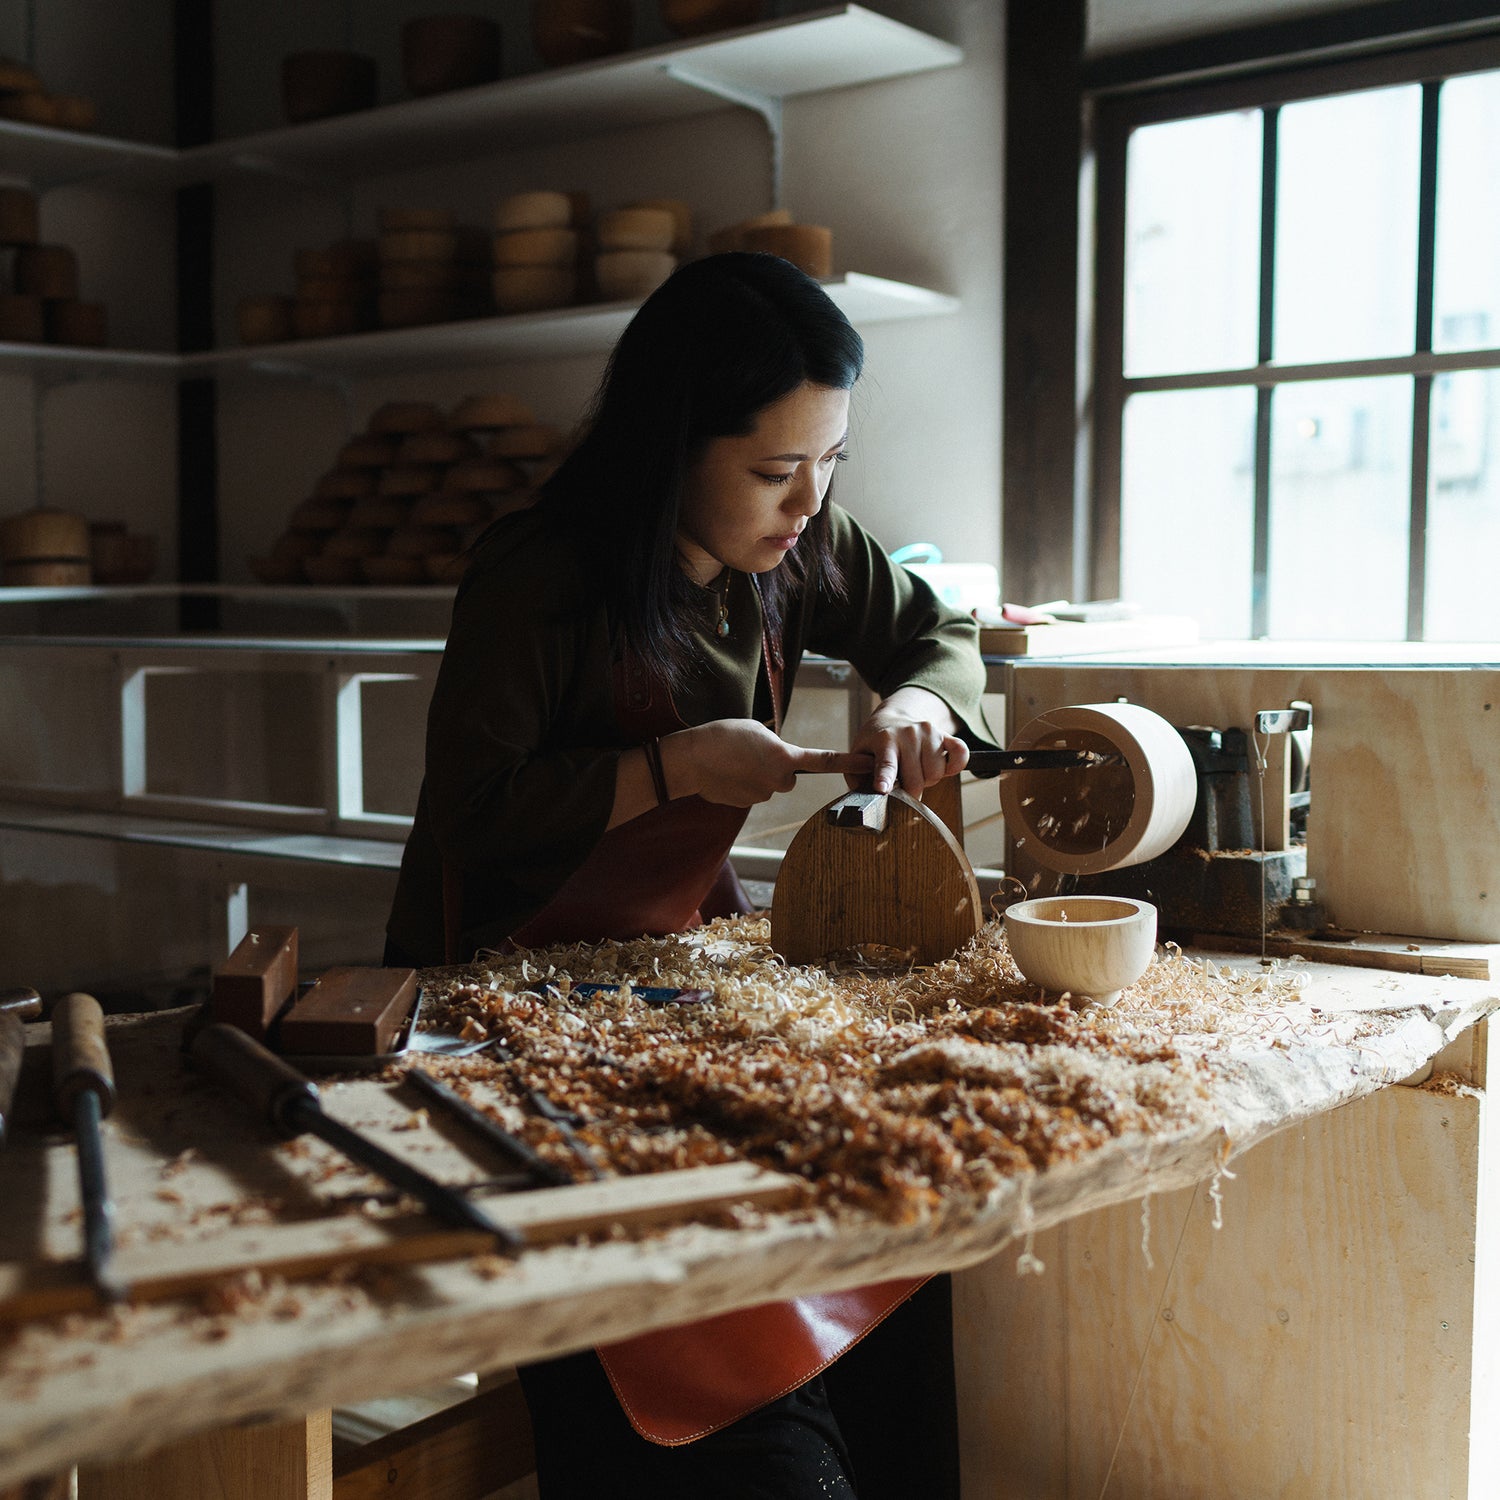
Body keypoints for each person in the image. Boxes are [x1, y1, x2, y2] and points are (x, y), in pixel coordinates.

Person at [386, 251, 991, 1499]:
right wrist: (668, 770)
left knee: (896, 1211)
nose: (807, 506)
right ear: (672, 445)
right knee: (700, 1329)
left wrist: (925, 701)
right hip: (504, 981)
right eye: (775, 472)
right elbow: (474, 812)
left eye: (829, 466)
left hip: (668, 955)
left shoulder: (799, 556)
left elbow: (942, 631)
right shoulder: (539, 574)